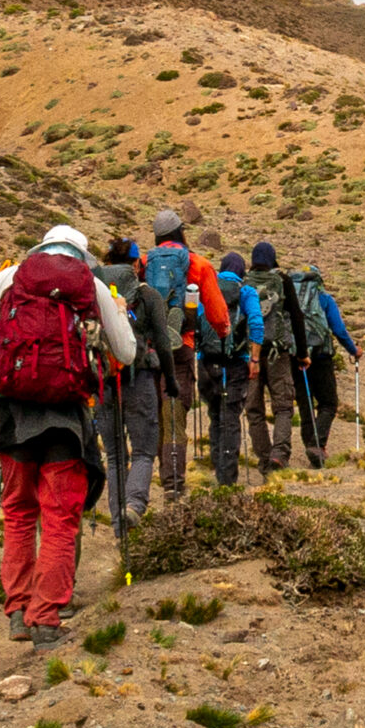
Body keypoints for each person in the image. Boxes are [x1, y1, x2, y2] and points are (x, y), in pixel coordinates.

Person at [0, 226, 136, 645]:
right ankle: (46, 618)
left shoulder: (11, 277)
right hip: (66, 417)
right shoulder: (91, 284)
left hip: (13, 411)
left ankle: (18, 611)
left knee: (19, 514)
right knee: (60, 518)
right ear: (82, 255)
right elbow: (126, 352)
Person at [139, 211, 229, 498]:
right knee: (175, 414)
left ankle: (157, 471)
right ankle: (173, 484)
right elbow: (217, 313)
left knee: (157, 415)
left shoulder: (144, 263)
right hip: (182, 349)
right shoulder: (198, 263)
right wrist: (223, 332)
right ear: (180, 232)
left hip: (151, 349)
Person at [95, 238, 182, 525]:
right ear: (137, 264)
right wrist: (170, 381)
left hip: (104, 381)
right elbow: (163, 343)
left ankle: (119, 526)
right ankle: (133, 506)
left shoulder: (94, 289)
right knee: (144, 450)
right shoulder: (148, 295)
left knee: (115, 456)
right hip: (140, 377)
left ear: (107, 261)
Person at [198, 251, 261, 488]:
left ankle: (218, 469)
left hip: (208, 362)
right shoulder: (245, 292)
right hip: (236, 363)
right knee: (231, 418)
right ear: (242, 272)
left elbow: (197, 321)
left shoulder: (208, 287)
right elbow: (256, 321)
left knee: (215, 416)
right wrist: (254, 359)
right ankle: (228, 478)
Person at [242, 240, 303, 476]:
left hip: (251, 353)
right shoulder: (282, 280)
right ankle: (279, 453)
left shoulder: (244, 283)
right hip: (279, 353)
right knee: (283, 406)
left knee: (253, 408)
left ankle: (264, 456)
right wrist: (303, 353)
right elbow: (296, 316)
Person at [299, 268, 360, 455]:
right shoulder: (325, 299)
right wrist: (354, 350)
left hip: (298, 358)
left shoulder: (291, 300)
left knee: (305, 403)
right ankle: (317, 445)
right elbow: (339, 330)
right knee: (328, 403)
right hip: (321, 358)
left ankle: (311, 443)